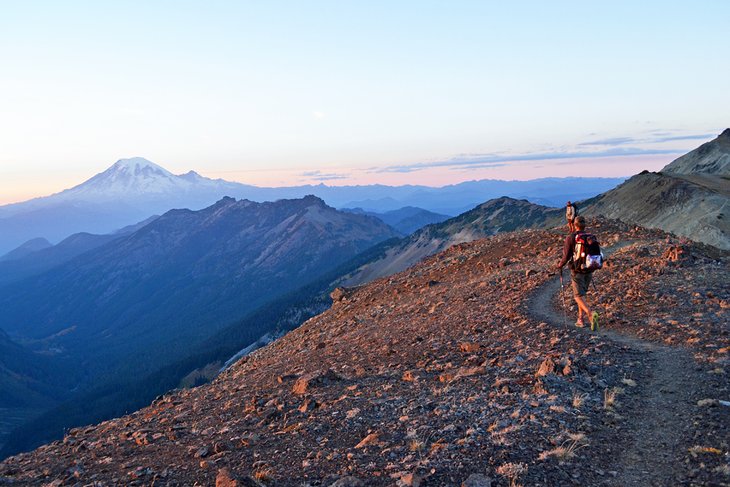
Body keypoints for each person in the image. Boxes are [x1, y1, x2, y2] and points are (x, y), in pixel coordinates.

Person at [556, 216, 599, 329]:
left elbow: (566, 256)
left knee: (577, 296)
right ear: (584, 225)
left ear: (574, 225)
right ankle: (580, 319)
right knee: (582, 294)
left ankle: (590, 313)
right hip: (590, 268)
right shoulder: (590, 236)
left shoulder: (571, 237)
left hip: (577, 269)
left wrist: (560, 265)